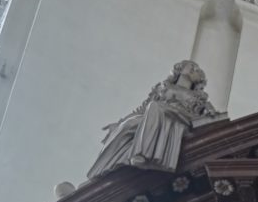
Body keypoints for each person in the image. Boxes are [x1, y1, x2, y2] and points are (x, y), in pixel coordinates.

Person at [88, 61, 220, 178]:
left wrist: (212, 113)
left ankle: (141, 154)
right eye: (190, 66)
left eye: (196, 70)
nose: (193, 69)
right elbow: (142, 109)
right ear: (179, 68)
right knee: (127, 125)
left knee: (155, 107)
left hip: (180, 118)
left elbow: (209, 115)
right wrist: (118, 123)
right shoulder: (163, 87)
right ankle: (99, 171)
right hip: (155, 114)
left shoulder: (199, 96)